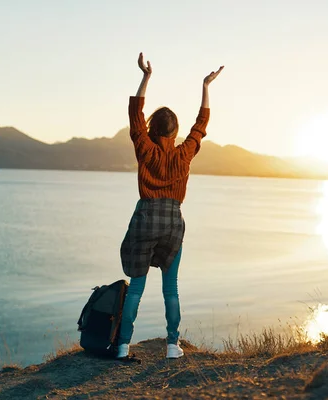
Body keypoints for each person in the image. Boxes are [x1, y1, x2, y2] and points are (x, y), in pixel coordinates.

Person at [117, 52, 223, 359]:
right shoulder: (184, 153)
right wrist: (206, 86)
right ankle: (173, 346)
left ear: (153, 129)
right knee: (171, 288)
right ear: (174, 131)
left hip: (146, 217)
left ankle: (123, 346)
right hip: (174, 221)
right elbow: (201, 125)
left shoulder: (146, 148)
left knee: (136, 287)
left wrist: (145, 77)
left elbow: (135, 119)